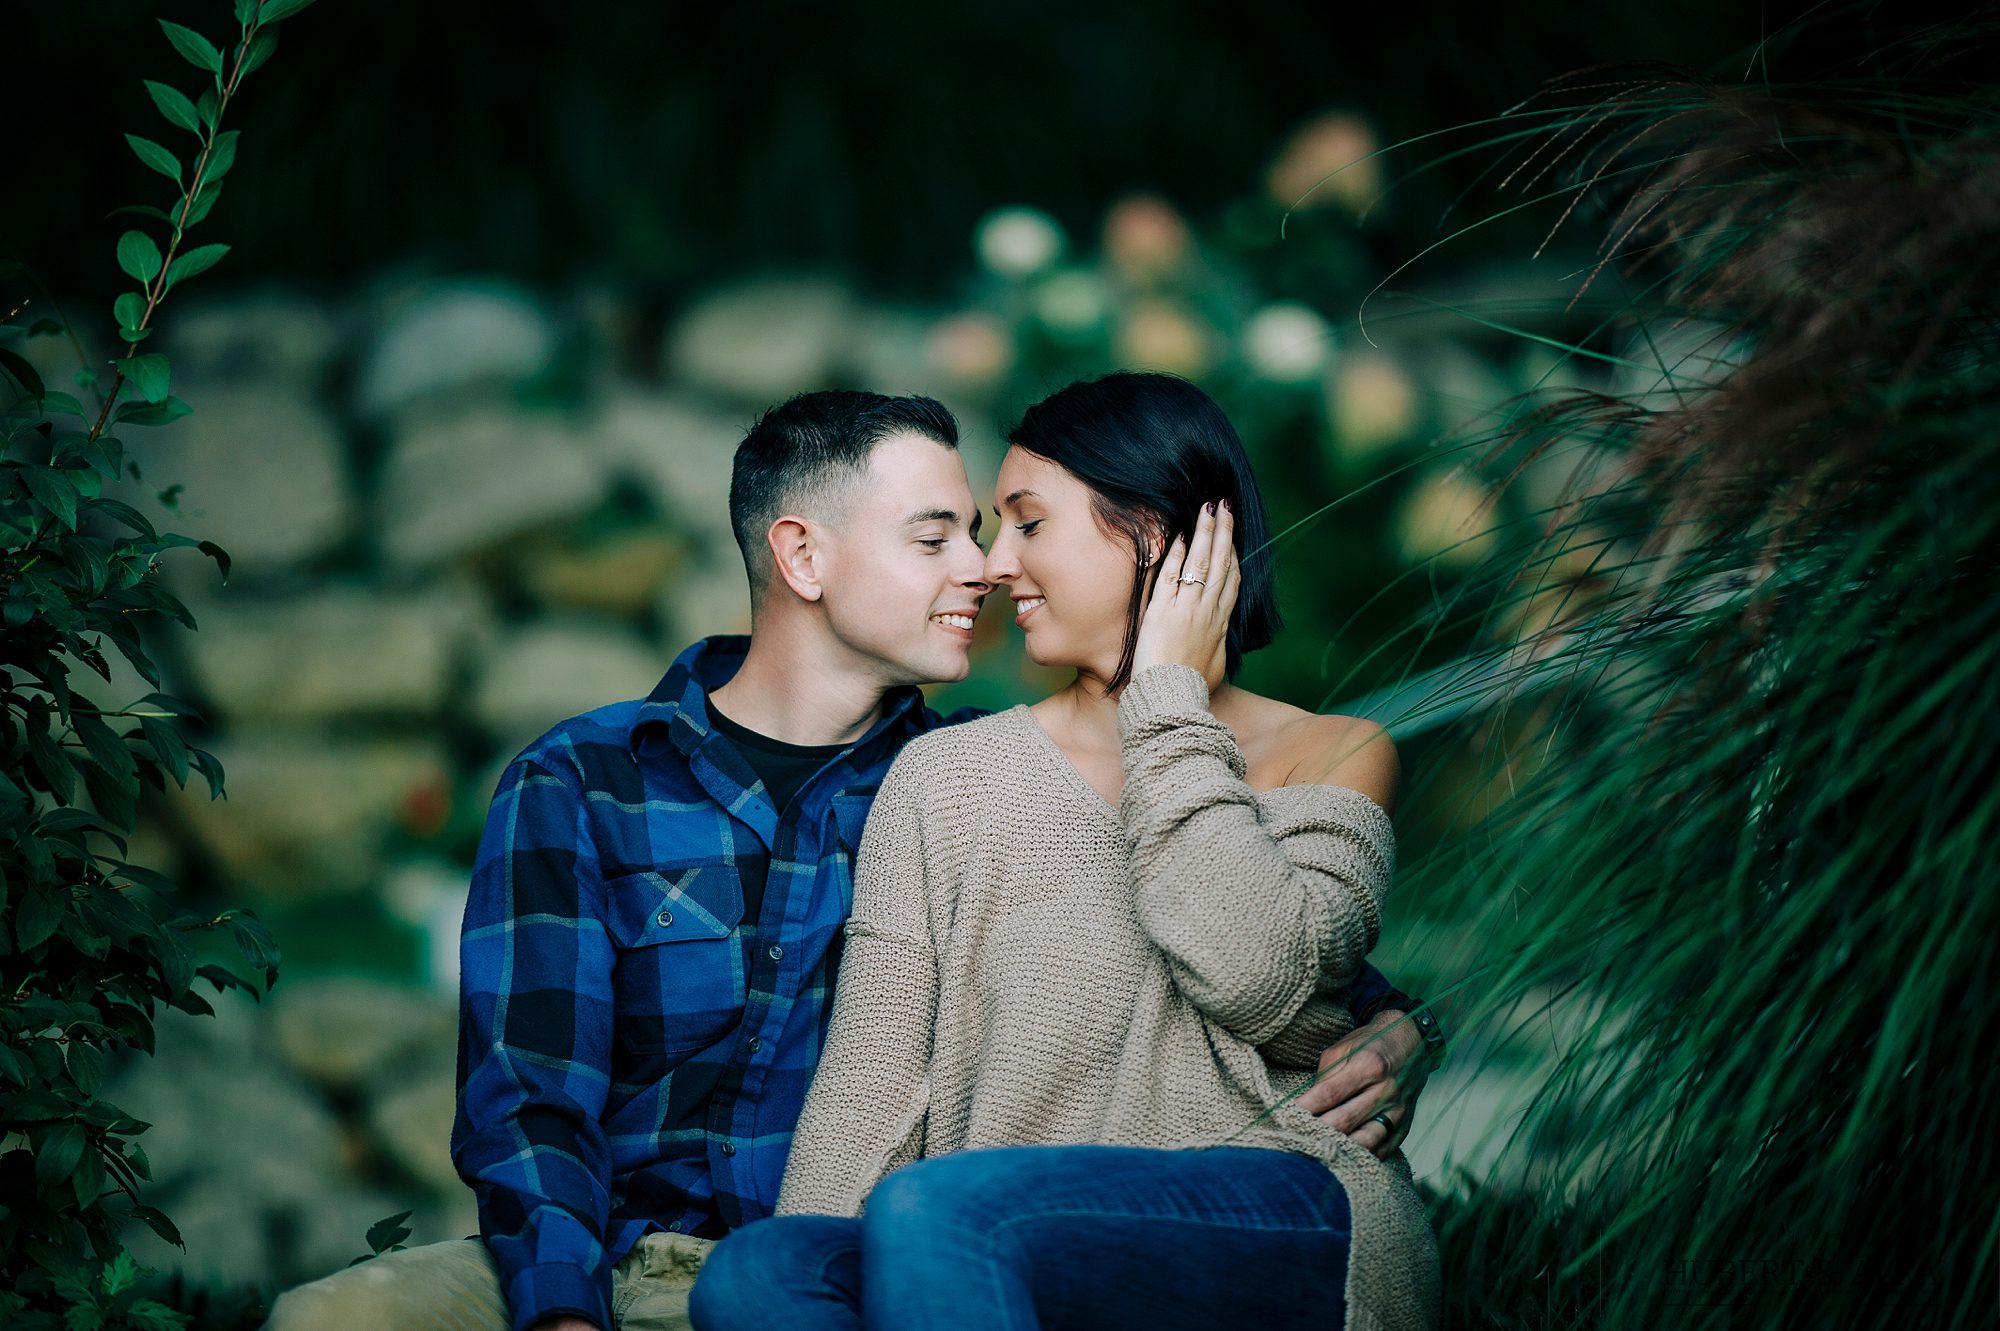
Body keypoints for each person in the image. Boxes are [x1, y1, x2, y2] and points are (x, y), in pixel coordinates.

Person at [263, 388, 1440, 1331]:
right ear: (804, 556)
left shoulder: (938, 771)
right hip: (620, 1267)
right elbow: (535, 1100)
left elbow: (1266, 973)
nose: (985, 567)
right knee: (340, 1318)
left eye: (1003, 527)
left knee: (904, 1228)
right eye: (945, 534)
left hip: (957, 1240)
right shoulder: (594, 780)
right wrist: (580, 1309)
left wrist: (1401, 1023)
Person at [688, 372, 1444, 1331]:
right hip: (992, 1235)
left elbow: (1262, 979)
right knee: (765, 1272)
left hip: (1276, 1211)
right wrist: (818, 1267)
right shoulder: (945, 776)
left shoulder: (1331, 753)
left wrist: (1166, 699)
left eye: (1027, 523)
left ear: (1152, 533)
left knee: (946, 1207)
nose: (996, 564)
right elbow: (872, 1079)